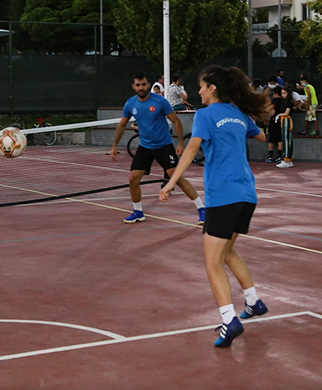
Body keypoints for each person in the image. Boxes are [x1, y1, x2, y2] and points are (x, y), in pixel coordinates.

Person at [159, 65, 271, 348]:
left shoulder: (205, 115)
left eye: (201, 86)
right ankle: (254, 301)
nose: (198, 91)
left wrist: (172, 182)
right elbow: (261, 137)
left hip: (223, 196)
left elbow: (193, 147)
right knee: (227, 251)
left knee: (212, 261)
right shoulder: (239, 114)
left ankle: (228, 320)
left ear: (212, 89)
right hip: (247, 194)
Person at [110, 72, 204, 225]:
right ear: (133, 86)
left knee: (176, 177)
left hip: (164, 146)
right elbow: (122, 125)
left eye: (144, 84)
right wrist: (114, 145)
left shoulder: (160, 101)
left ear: (148, 85)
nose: (141, 88)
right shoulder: (130, 104)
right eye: (138, 85)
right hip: (145, 147)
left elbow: (176, 121)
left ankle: (202, 209)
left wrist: (180, 143)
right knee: (133, 179)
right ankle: (138, 212)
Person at [277, 86, 295, 168]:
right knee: (287, 139)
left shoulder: (289, 103)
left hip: (286, 121)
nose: (283, 95)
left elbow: (286, 113)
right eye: (282, 93)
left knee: (286, 140)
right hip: (284, 121)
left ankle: (286, 159)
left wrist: (279, 115)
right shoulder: (285, 102)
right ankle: (289, 160)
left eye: (284, 93)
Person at [266, 86, 284, 163]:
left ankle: (270, 156)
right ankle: (279, 156)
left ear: (276, 93)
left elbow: (271, 107)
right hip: (282, 121)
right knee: (280, 139)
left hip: (274, 121)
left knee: (271, 140)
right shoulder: (283, 100)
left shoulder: (275, 100)